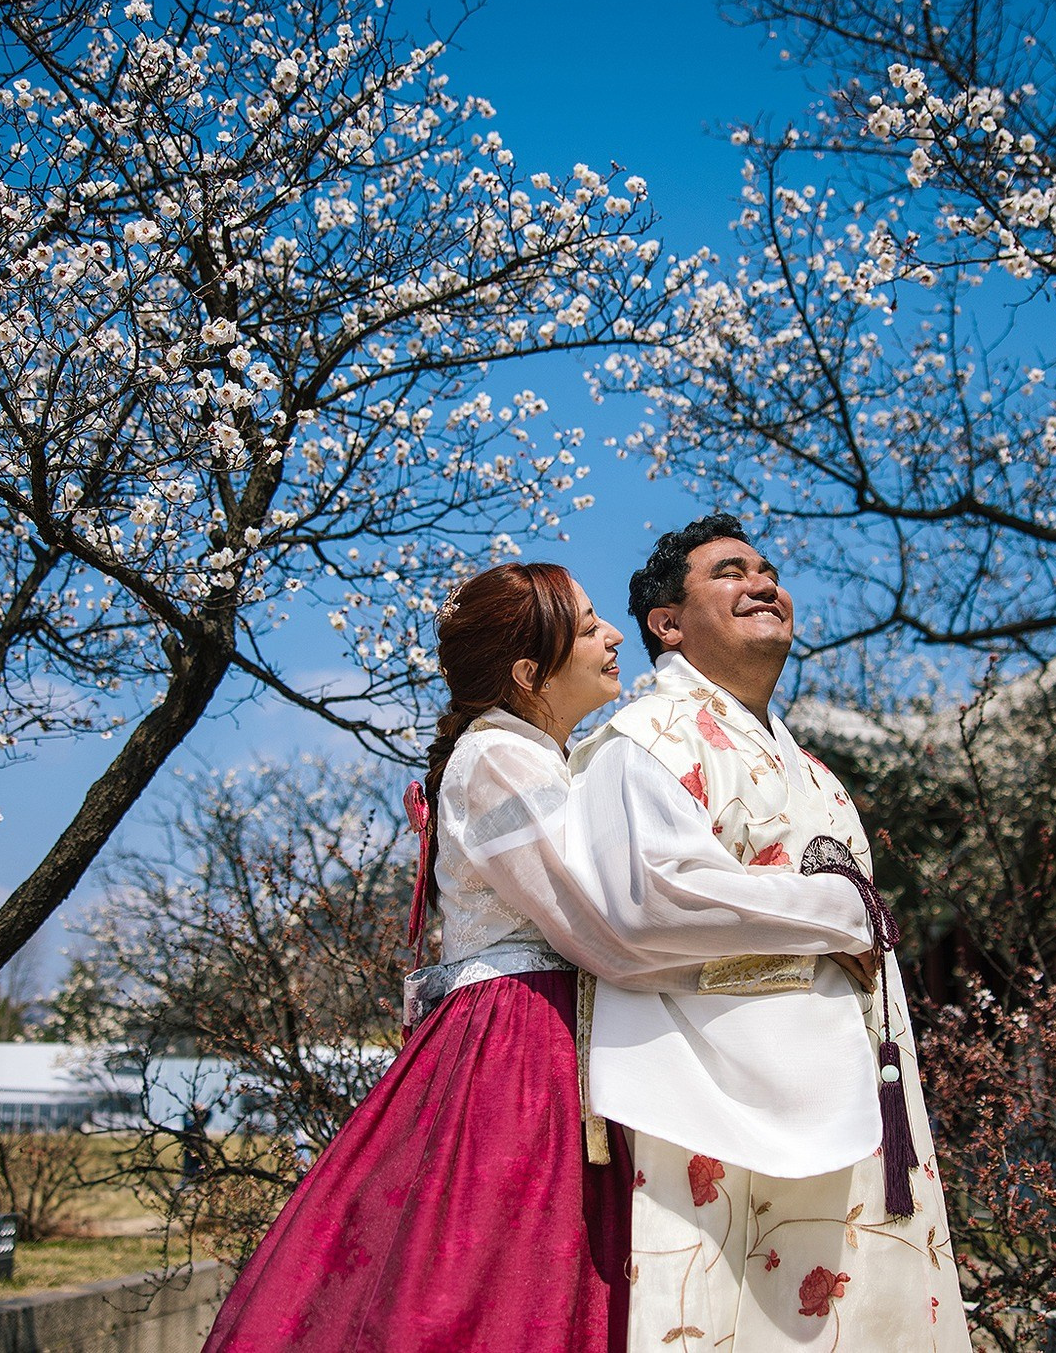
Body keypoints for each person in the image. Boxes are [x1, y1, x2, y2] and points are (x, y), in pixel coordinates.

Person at [202, 562, 876, 1353]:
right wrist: (831, 914)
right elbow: (607, 926)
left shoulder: (540, 755)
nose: (612, 635)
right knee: (499, 1277)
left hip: (548, 1032)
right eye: (588, 626)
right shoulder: (500, 758)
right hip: (519, 1045)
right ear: (529, 672)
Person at [568, 515, 970, 1351]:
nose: (763, 584)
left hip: (858, 1089)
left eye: (767, 570)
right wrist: (842, 914)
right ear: (667, 623)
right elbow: (650, 904)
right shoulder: (639, 741)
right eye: (728, 572)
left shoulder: (817, 772)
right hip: (719, 1103)